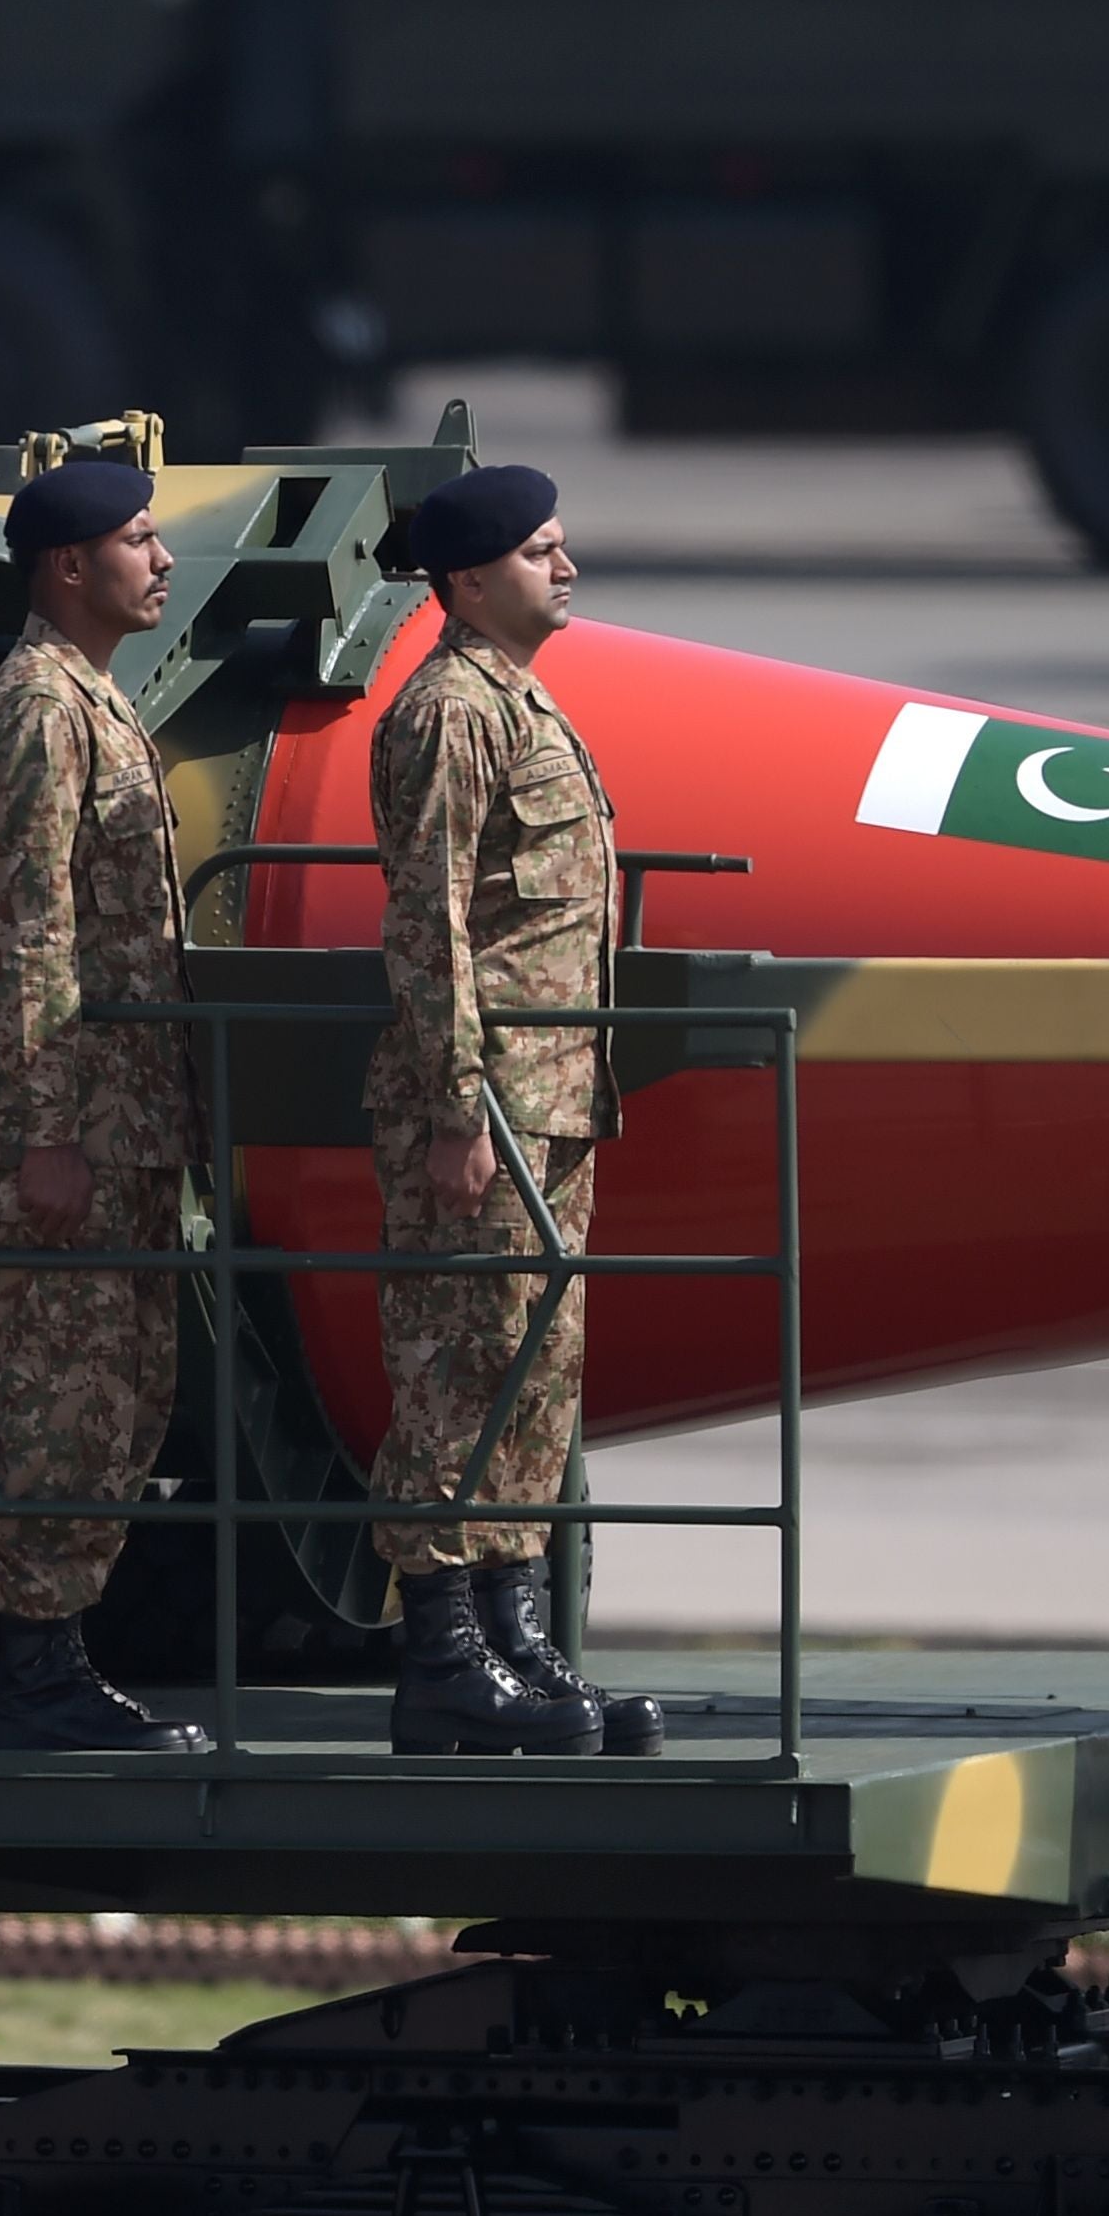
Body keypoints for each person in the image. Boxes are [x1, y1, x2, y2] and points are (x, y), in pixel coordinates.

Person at [361, 461, 662, 1758]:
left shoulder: (520, 700)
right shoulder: (448, 713)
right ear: (473, 580)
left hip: (548, 1098)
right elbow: (427, 922)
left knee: (532, 1376)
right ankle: (443, 1656)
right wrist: (454, 1103)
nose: (568, 566)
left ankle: (514, 1634)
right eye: (544, 551)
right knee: (455, 1371)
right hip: (482, 1105)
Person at [0, 457, 216, 1756]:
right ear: (69, 566)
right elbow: (23, 926)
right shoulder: (42, 709)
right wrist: (49, 1126)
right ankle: (39, 1674)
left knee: (117, 1394)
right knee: (62, 1391)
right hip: (75, 1129)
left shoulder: (94, 702)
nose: (161, 560)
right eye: (139, 540)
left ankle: (60, 1661)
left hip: (125, 1126)